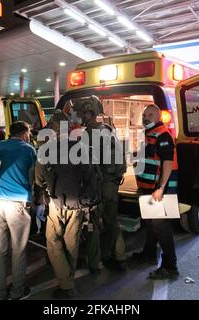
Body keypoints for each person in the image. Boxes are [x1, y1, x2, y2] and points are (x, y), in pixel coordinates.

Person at [34, 113, 102, 299]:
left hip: (56, 202)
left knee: (53, 241)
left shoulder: (46, 149)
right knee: (72, 241)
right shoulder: (84, 148)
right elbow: (95, 175)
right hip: (79, 203)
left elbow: (39, 179)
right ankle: (68, 280)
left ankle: (66, 283)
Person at [72, 96, 127, 273]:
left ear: (89, 113)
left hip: (99, 184)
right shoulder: (108, 129)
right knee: (112, 221)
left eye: (83, 113)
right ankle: (119, 258)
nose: (81, 116)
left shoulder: (89, 133)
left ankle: (94, 264)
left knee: (93, 224)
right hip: (113, 183)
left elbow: (86, 163)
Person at [0, 121, 36, 300]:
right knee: (18, 249)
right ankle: (17, 292)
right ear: (24, 133)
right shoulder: (29, 149)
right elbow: (33, 176)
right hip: (18, 203)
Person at [132, 104, 179, 280]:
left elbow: (167, 162)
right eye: (144, 114)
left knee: (162, 228)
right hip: (150, 189)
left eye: (150, 114)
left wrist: (160, 188)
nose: (146, 117)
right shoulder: (150, 133)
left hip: (161, 191)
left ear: (158, 117)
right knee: (151, 225)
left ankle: (170, 266)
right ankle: (149, 254)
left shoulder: (163, 134)